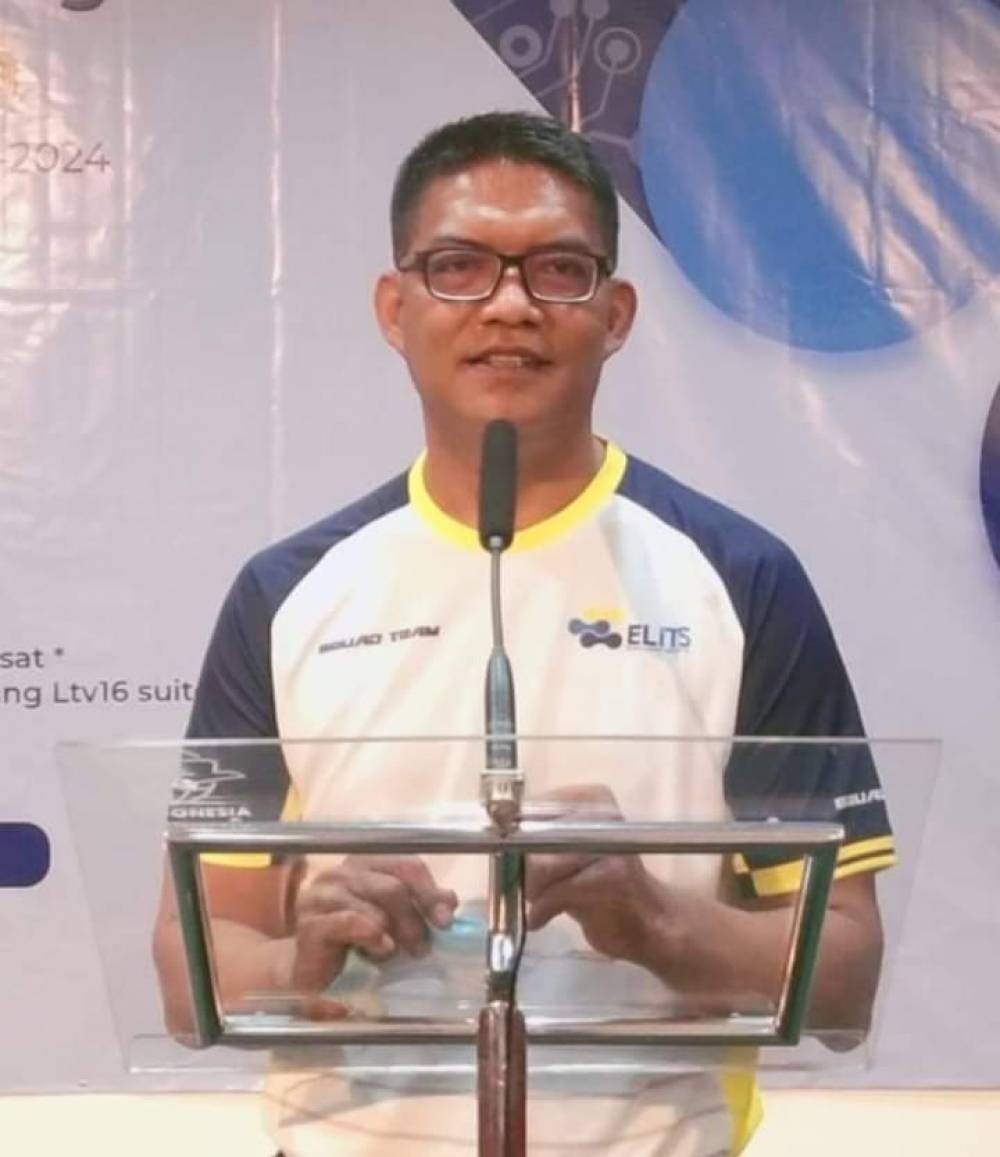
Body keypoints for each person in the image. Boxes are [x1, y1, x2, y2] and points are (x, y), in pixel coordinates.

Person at [154, 111, 895, 1156]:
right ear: (394, 306)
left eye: (557, 269)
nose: (509, 304)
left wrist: (655, 919)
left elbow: (846, 977)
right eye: (458, 266)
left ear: (616, 311)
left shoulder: (742, 578)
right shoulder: (284, 592)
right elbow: (188, 967)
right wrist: (296, 959)